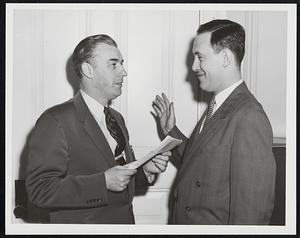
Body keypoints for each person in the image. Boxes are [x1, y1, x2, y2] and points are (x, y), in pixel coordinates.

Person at [25, 34, 170, 224]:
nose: (123, 72)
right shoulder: (55, 120)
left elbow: (119, 179)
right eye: (114, 64)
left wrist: (145, 171)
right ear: (88, 70)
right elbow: (39, 190)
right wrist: (102, 183)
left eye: (122, 64)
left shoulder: (116, 119)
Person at [153, 19, 276, 225]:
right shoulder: (219, 104)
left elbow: (251, 214)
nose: (194, 66)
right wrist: (171, 131)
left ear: (226, 58)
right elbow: (202, 164)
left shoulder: (249, 116)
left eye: (200, 57)